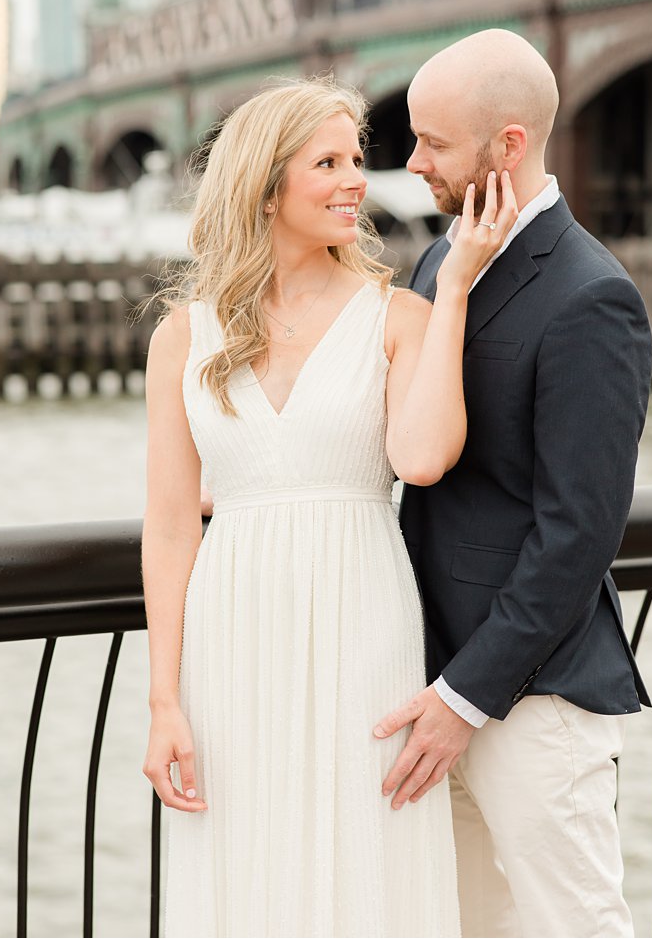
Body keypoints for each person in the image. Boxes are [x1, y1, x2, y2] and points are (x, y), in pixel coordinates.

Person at [140, 75, 517, 936]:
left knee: (364, 866)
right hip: (230, 637)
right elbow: (167, 528)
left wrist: (455, 285)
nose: (356, 178)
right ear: (266, 187)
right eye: (328, 162)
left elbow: (422, 460)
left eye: (358, 158)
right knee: (245, 869)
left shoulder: (402, 315)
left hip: (362, 623)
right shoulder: (181, 336)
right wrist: (165, 700)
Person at [368, 29, 652, 938]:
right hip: (424, 684)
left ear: (509, 145)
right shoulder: (436, 262)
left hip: (532, 701)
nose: (411, 161)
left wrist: (466, 699)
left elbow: (578, 534)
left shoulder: (590, 295)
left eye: (433, 143)